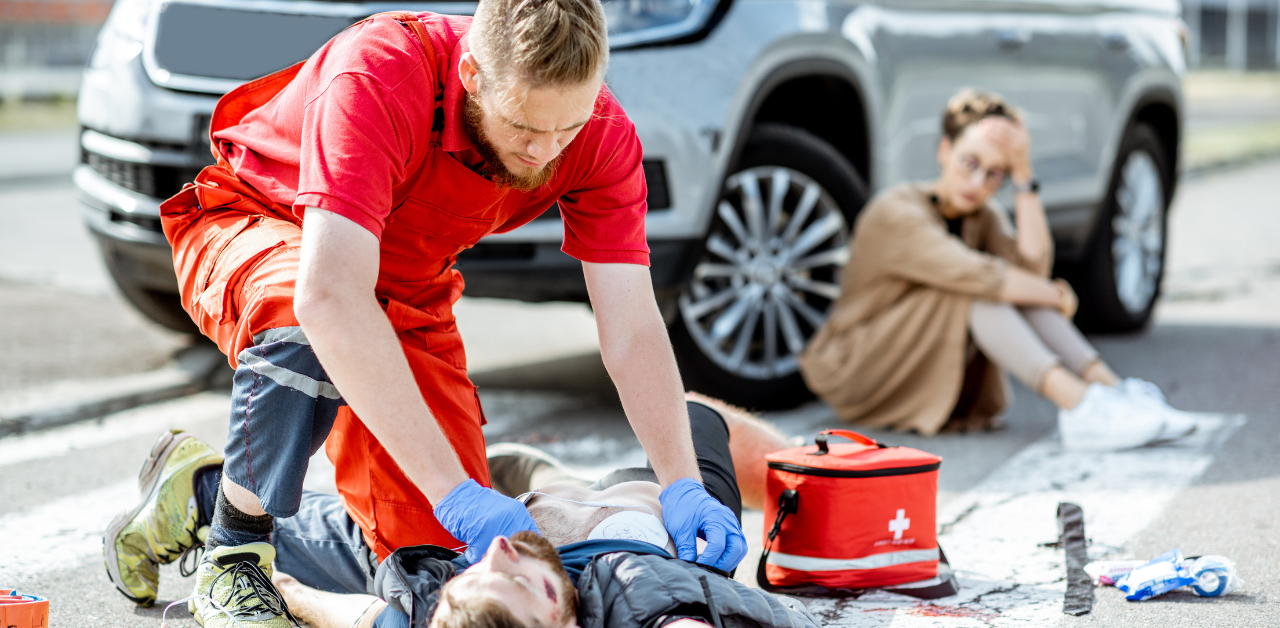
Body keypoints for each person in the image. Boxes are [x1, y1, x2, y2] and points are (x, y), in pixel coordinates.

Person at [102, 2, 745, 625]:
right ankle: (234, 556)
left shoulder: (600, 132)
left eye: (567, 129)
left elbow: (632, 327)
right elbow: (328, 298)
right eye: (523, 127)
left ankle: (203, 495)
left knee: (434, 554)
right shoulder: (379, 74)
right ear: (471, 74)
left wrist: (681, 482)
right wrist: (456, 491)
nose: (545, 151)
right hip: (264, 223)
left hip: (402, 284)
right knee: (304, 329)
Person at [122, 396, 806, 628]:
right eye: (529, 585)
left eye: (479, 577)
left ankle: (197, 486)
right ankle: (530, 475)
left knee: (250, 529)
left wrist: (287, 595)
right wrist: (803, 472)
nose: (503, 557)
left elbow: (360, 614)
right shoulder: (641, 598)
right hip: (629, 510)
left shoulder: (441, 605)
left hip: (480, 524)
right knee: (691, 416)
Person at [797, 89, 1196, 451]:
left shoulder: (981, 214)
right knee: (976, 289)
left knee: (1010, 286)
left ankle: (1113, 391)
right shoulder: (896, 211)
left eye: (995, 173)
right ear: (944, 151)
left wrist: (1024, 175)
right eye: (969, 162)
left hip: (913, 356)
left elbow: (1032, 268)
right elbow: (980, 276)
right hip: (858, 368)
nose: (978, 182)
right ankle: (1080, 407)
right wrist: (1056, 295)